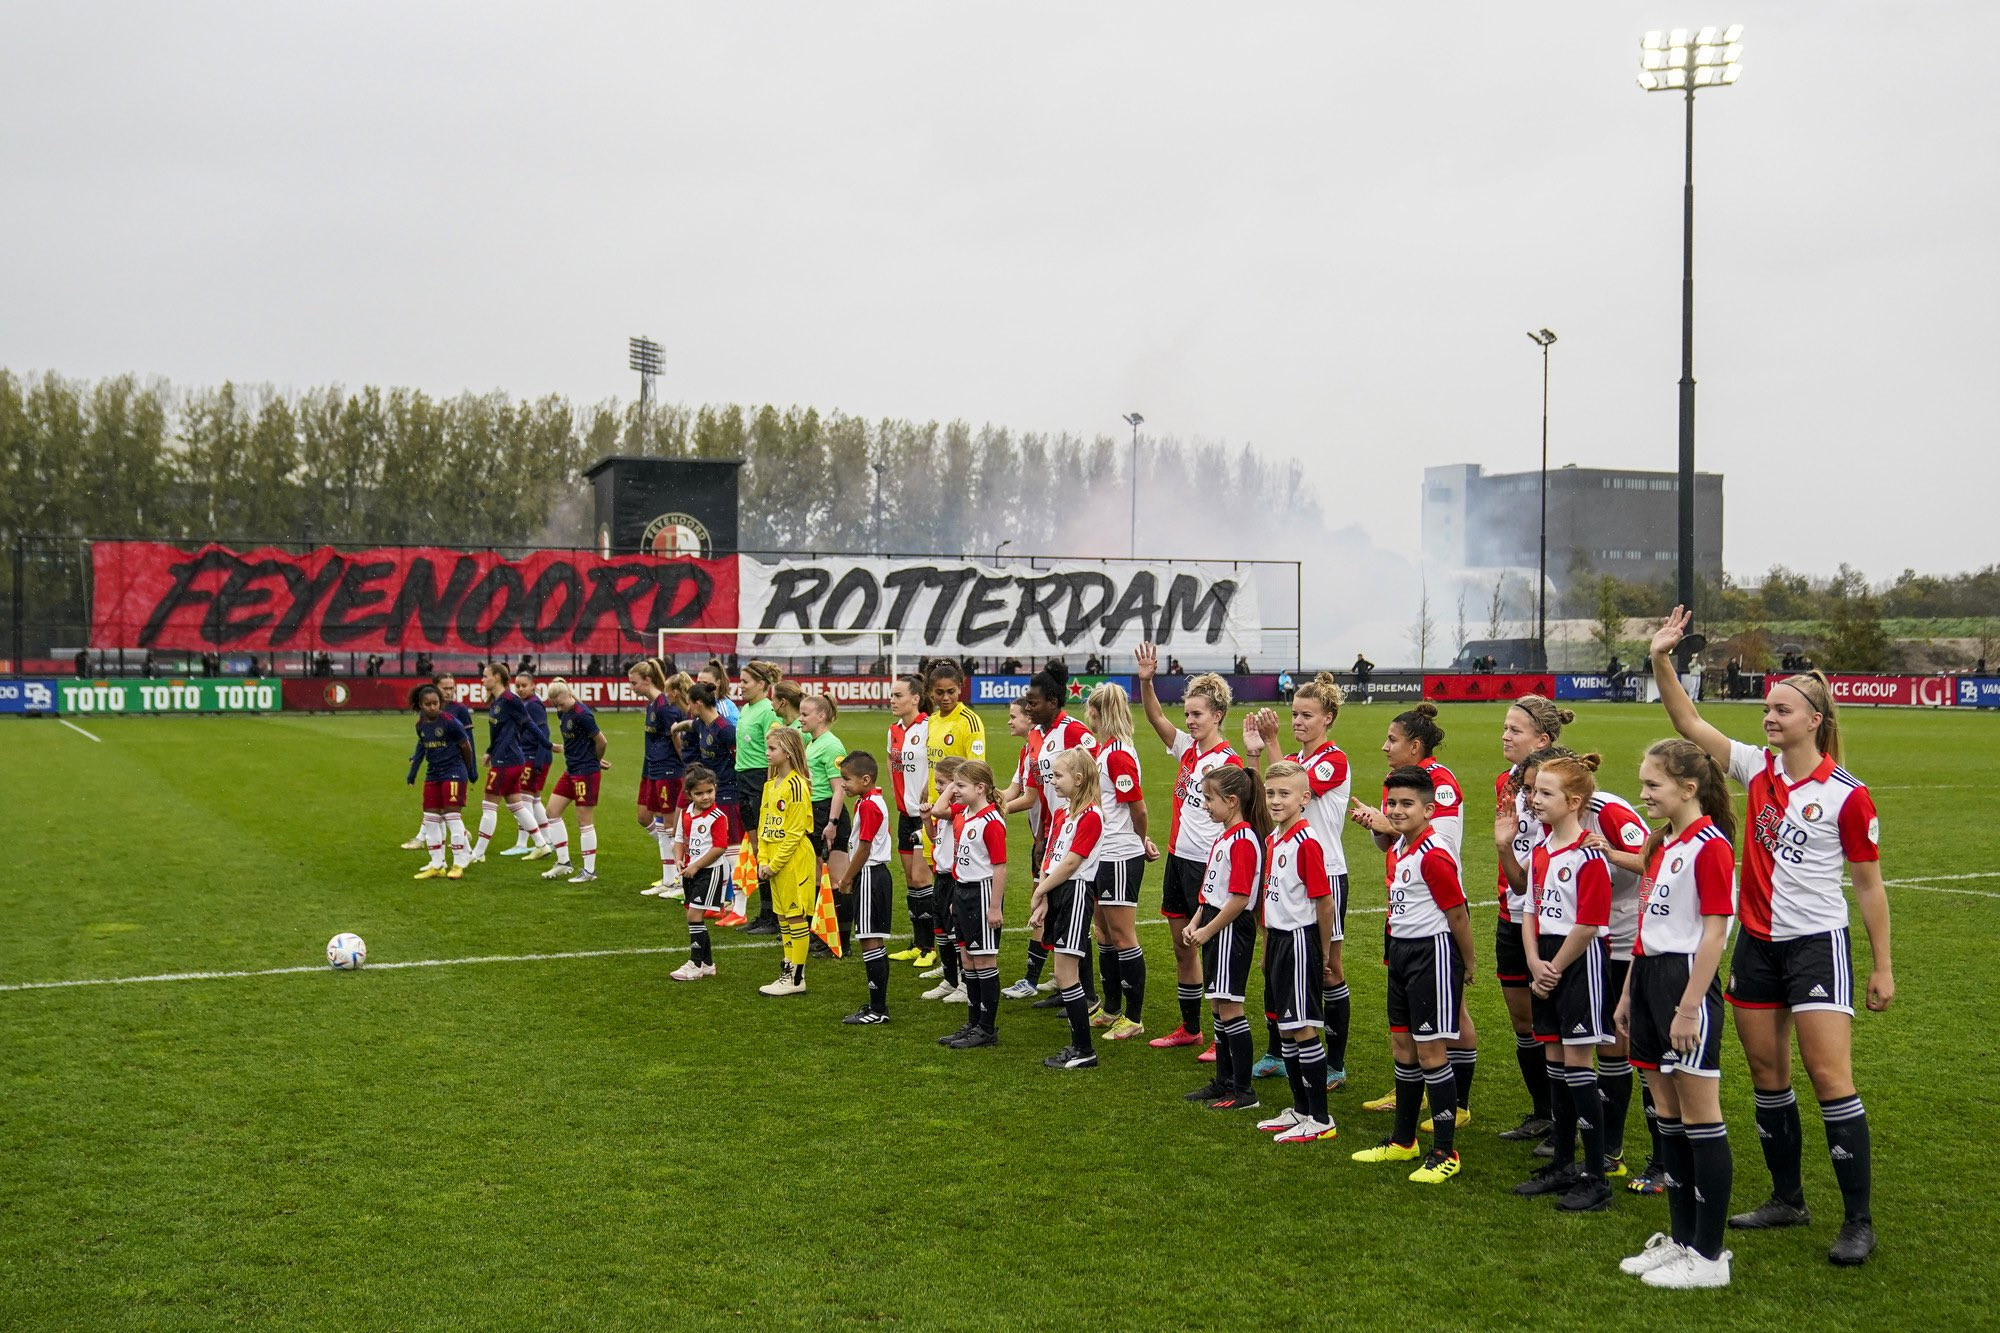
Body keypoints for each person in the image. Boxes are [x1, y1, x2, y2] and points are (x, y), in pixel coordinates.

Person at [1651, 606, 1890, 1266]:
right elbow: (1688, 723)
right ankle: (1788, 1197)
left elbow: (1868, 885)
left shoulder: (1848, 793)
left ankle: (1858, 1218)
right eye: (1767, 708)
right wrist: (1662, 658)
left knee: (1828, 1075)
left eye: (1783, 709)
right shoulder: (1756, 769)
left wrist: (1883, 966)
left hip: (1816, 944)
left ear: (1815, 719)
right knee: (1766, 1072)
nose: (1770, 717)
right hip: (1755, 943)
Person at [1612, 738, 1738, 1288]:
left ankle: (1710, 1256)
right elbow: (1649, 929)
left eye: (1652, 785)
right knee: (1667, 1116)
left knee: (1700, 1117)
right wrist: (1627, 995)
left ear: (1689, 788)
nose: (1643, 795)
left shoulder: (1711, 845)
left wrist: (1689, 1008)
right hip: (1649, 979)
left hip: (1686, 983)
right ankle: (1682, 1240)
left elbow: (1714, 932)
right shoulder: (1664, 845)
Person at [1349, 702, 1476, 1127]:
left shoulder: (1439, 785)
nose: (1384, 747)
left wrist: (1387, 823)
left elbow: (1441, 844)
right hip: (1401, 907)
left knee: (1451, 1011)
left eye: (1392, 740)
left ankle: (1457, 1102)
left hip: (1433, 911)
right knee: (1410, 1019)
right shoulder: (1399, 783)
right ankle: (1413, 1088)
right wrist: (1376, 825)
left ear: (1415, 745)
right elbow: (1392, 844)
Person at [1512, 753, 1617, 1213]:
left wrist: (1553, 967)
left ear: (1574, 801)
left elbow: (1591, 921)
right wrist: (1534, 961)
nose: (1535, 800)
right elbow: (1530, 911)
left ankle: (1596, 1175)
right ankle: (1564, 1162)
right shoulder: (1540, 851)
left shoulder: (1590, 854)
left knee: (1576, 1062)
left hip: (1579, 962)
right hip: (1547, 960)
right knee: (1555, 1057)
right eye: (1534, 792)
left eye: (1546, 793)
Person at [1134, 642, 1243, 1056]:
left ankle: (1223, 1035)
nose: (1190, 721)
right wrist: (1147, 682)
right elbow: (1156, 717)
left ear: (1217, 715)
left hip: (1209, 866)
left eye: (1198, 714)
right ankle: (1191, 1028)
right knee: (1183, 946)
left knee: (1213, 949)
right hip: (1179, 860)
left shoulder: (1225, 762)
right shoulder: (1188, 749)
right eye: (1188, 714)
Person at [1245, 672, 1352, 1087]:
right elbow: (1271, 792)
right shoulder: (1298, 757)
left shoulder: (1333, 759)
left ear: (1328, 718)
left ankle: (1334, 1063)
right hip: (1286, 871)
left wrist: (1270, 745)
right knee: (1276, 964)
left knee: (1328, 969)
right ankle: (1277, 1050)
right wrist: (1257, 754)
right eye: (1294, 714)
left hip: (1325, 873)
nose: (1297, 722)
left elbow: (1289, 784)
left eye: (1307, 715)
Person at [1487, 696, 1577, 1145]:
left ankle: (1570, 1120)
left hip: (1553, 919)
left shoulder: (1564, 786)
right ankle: (1543, 1112)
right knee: (1524, 1022)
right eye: (1505, 727)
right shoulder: (1504, 782)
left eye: (1515, 730)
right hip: (1512, 912)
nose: (1505, 735)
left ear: (1543, 740)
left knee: (1557, 1026)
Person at [1252, 761, 1341, 1144]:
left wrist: (1322, 953)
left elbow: (1324, 902)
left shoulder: (1307, 843)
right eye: (1271, 793)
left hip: (1301, 942)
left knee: (1303, 1027)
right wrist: (1268, 949)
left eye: (1284, 793)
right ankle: (1300, 1108)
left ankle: (1320, 1117)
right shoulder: (1275, 839)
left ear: (1304, 798)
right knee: (1286, 1027)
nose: (1275, 800)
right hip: (1279, 942)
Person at [1178, 765, 1269, 1110]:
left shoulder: (1244, 839)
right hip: (1216, 923)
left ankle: (1243, 1092)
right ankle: (1224, 1081)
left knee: (1230, 1006)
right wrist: (1196, 920)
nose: (1204, 805)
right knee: (1218, 1004)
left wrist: (1207, 930)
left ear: (1232, 801)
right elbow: (1211, 891)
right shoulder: (1225, 835)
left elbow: (1240, 898)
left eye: (1209, 798)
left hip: (1231, 927)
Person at [1005, 670, 1095, 1004]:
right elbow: (1031, 791)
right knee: (1057, 915)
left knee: (1076, 916)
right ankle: (1068, 986)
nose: (1029, 708)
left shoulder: (1073, 731)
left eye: (1033, 702)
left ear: (1053, 702)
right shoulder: (1037, 737)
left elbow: (1095, 777)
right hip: (1052, 832)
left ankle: (1086, 994)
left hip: (1077, 832)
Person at [1027, 748, 1106, 1070]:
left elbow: (1073, 863)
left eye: (1058, 775)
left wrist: (1041, 890)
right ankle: (1078, 1046)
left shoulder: (1092, 816)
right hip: (1057, 892)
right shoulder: (1063, 813)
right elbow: (1051, 856)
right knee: (1063, 974)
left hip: (1074, 894)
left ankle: (1083, 1049)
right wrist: (1044, 894)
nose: (1052, 781)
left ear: (1078, 778)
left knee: (1065, 974)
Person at [1085, 682, 1154, 1042]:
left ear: (1096, 714)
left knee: (1124, 936)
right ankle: (1112, 1008)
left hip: (1119, 855)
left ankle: (1134, 1016)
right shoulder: (1106, 750)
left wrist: (1139, 840)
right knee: (1104, 933)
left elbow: (1137, 807)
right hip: (1103, 852)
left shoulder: (1117, 754)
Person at [938, 760, 1008, 1049]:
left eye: (961, 786)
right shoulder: (966, 814)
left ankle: (987, 1028)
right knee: (968, 959)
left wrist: (994, 907)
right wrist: (956, 898)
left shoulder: (991, 821)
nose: (955, 791)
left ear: (981, 788)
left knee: (983, 960)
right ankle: (973, 1022)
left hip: (981, 894)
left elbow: (1000, 867)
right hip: (963, 893)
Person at [834, 751, 896, 1025]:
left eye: (846, 779)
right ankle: (875, 1004)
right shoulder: (867, 801)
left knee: (871, 940)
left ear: (866, 779)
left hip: (871, 874)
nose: (843, 783)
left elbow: (865, 847)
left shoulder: (870, 805)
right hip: (869, 874)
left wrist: (847, 878)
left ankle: (878, 1008)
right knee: (869, 940)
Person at [755, 726, 815, 996]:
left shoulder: (797, 786)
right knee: (783, 916)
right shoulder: (770, 786)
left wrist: (774, 864)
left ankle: (796, 978)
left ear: (788, 752)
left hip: (793, 860)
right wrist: (762, 859)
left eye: (772, 749)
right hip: (774, 861)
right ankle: (788, 969)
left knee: (795, 915)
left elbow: (795, 832)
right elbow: (763, 828)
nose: (767, 753)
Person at [469, 662, 549, 863]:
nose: (482, 679)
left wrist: (546, 744)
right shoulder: (497, 702)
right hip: (509, 760)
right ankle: (542, 844)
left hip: (507, 761)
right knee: (517, 806)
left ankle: (477, 853)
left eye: (485, 676)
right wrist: (489, 750)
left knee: (489, 806)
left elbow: (529, 723)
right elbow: (499, 733)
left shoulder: (510, 700)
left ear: (496, 677)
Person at [883, 675, 937, 969]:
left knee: (921, 878)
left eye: (899, 695)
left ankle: (931, 946)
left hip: (924, 815)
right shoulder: (892, 731)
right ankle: (917, 944)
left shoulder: (929, 728)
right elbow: (894, 774)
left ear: (915, 698)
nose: (893, 700)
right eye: (892, 695)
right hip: (905, 815)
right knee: (911, 882)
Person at [538, 680, 607, 883]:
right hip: (572, 770)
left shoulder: (583, 714)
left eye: (560, 704)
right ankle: (563, 863)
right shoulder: (564, 713)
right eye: (555, 705)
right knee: (551, 812)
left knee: (584, 821)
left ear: (569, 695)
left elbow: (602, 741)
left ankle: (589, 871)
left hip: (585, 772)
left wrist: (595, 761)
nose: (558, 709)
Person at [406, 682, 476, 880]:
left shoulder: (450, 721)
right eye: (428, 704)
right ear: (420, 705)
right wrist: (413, 773)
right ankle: (437, 865)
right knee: (430, 820)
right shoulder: (420, 725)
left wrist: (469, 771)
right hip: (433, 774)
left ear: (440, 703)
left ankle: (459, 863)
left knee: (453, 818)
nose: (432, 707)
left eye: (435, 703)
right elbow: (422, 749)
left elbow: (466, 746)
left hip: (453, 772)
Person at [733, 661, 784, 934]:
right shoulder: (745, 709)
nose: (740, 686)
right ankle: (765, 914)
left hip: (757, 782)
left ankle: (773, 916)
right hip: (743, 779)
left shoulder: (767, 711)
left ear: (763, 686)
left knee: (764, 849)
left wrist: (769, 787)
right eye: (740, 681)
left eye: (745, 681)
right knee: (756, 850)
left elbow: (774, 752)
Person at [669, 766, 732, 981]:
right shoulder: (686, 812)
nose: (705, 797)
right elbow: (679, 838)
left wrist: (696, 865)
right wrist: (679, 859)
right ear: (689, 794)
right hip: (691, 872)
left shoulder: (717, 817)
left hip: (710, 871)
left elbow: (719, 847)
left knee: (694, 916)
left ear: (715, 789)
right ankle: (707, 963)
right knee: (694, 917)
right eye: (699, 793)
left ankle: (695, 964)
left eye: (709, 792)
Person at [629, 662, 685, 897]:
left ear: (647, 680)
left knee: (672, 829)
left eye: (634, 682)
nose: (631, 687)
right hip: (654, 769)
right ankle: (668, 878)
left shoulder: (665, 707)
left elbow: (677, 737)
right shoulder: (654, 705)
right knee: (659, 826)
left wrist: (685, 765)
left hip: (669, 771)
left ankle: (681, 882)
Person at [802, 694, 851, 955]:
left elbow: (839, 789)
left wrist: (832, 823)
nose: (800, 718)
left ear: (821, 716)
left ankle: (841, 941)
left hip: (829, 813)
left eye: (805, 714)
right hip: (815, 813)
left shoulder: (832, 745)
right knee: (819, 879)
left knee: (837, 880)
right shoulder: (812, 742)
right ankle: (823, 935)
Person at [919, 755, 970, 1005]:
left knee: (955, 932)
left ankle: (964, 982)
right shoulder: (947, 808)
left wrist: (949, 790)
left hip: (954, 877)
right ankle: (950, 978)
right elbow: (935, 836)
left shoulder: (959, 806)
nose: (937, 787)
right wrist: (927, 821)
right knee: (941, 930)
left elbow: (940, 809)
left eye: (942, 782)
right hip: (941, 875)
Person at [503, 669, 557, 861]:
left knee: (523, 800)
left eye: (524, 685)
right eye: (517, 685)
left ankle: (523, 843)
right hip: (530, 755)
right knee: (533, 800)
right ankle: (549, 838)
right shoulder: (525, 703)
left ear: (533, 686)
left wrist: (539, 761)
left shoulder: (534, 705)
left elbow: (544, 733)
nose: (520, 689)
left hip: (534, 756)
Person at [700, 658, 742, 725]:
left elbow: (731, 733)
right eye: (699, 682)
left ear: (718, 683)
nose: (701, 686)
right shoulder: (699, 704)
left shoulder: (724, 708)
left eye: (705, 683)